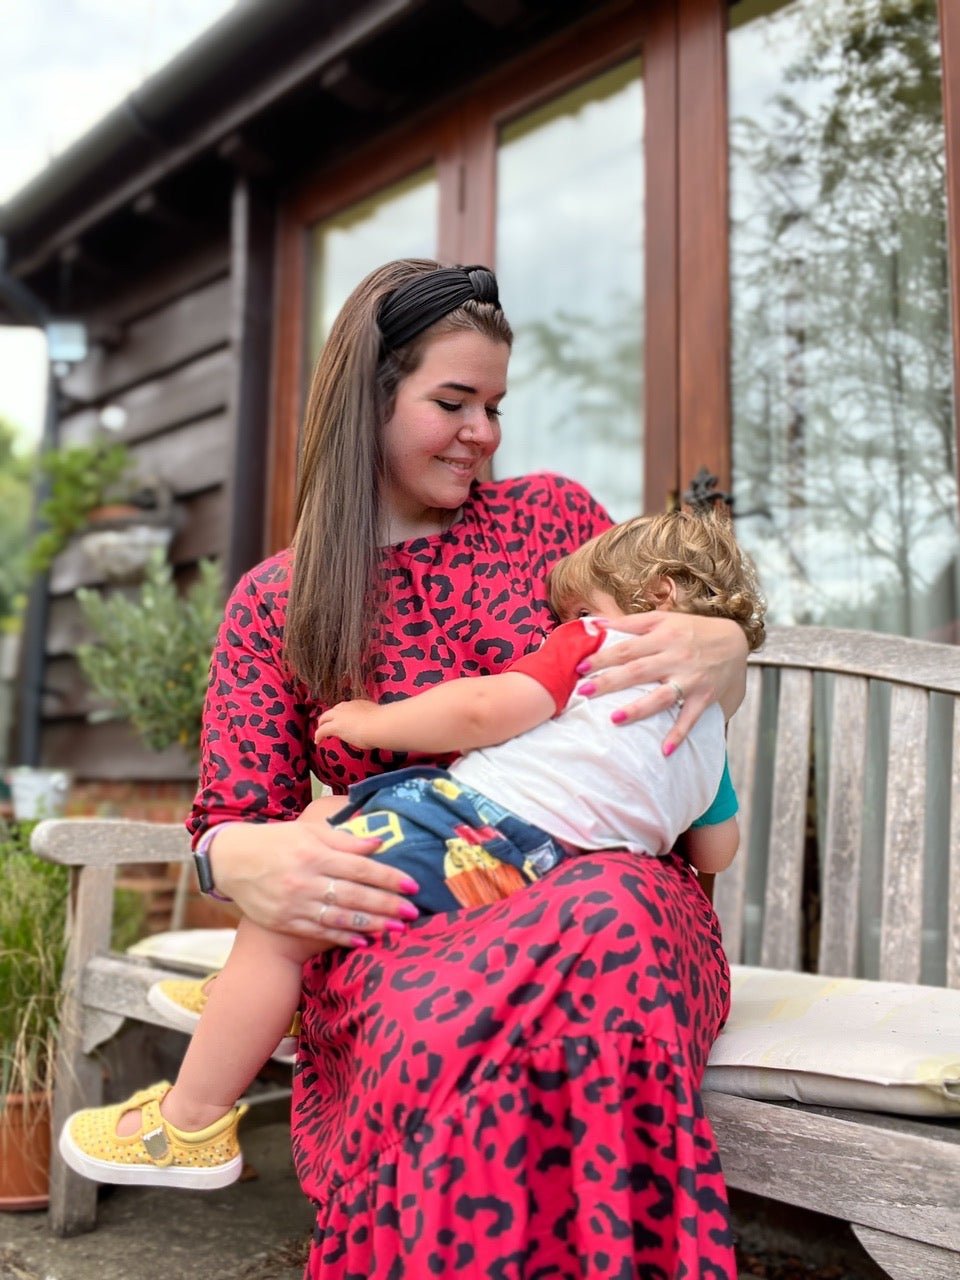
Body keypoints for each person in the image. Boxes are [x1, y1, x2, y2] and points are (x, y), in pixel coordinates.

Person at [58, 260, 748, 1279]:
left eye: (496, 406)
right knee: (436, 1020)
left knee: (611, 924)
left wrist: (724, 648)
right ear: (371, 398)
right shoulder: (278, 601)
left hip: (611, 888)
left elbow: (654, 673)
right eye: (453, 402)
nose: (484, 432)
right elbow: (228, 821)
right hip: (404, 916)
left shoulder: (551, 521)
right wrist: (247, 862)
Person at [60, 507, 764, 1192]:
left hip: (477, 831)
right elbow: (716, 850)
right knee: (337, 808)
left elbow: (486, 710)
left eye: (583, 605)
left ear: (656, 598)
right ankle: (258, 1004)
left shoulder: (592, 643)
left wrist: (372, 723)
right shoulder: (709, 733)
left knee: (290, 901)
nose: (566, 621)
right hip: (550, 883)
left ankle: (191, 1123)